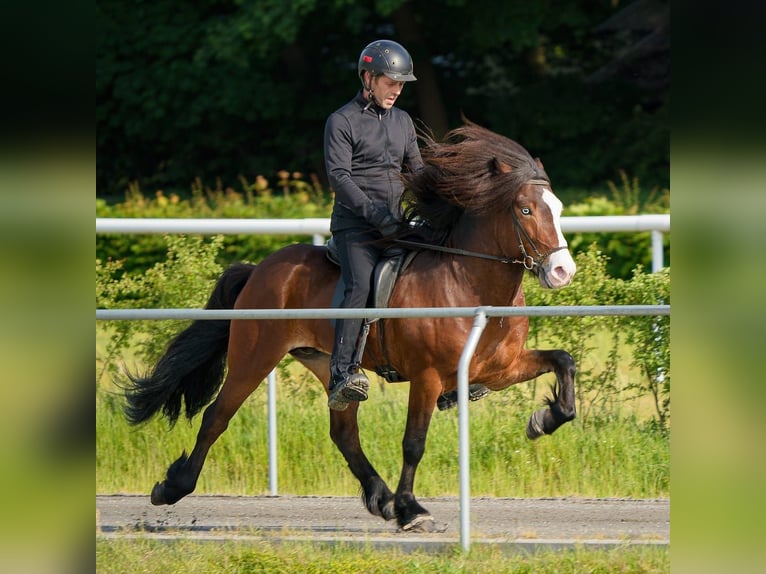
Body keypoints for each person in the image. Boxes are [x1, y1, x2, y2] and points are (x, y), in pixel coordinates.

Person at [323, 39, 421, 411]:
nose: (397, 90)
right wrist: (375, 214)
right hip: (356, 228)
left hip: (396, 223)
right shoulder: (342, 121)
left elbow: (418, 171)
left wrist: (443, 201)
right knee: (360, 283)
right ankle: (342, 373)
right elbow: (340, 178)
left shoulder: (403, 121)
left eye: (401, 84)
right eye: (390, 82)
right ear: (368, 77)